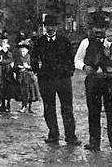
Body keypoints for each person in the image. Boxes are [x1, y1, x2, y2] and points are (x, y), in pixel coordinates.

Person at [74, 17, 112, 152]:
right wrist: (84, 67)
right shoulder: (86, 42)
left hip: (109, 80)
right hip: (93, 80)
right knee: (93, 111)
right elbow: (77, 60)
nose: (98, 31)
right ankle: (94, 142)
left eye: (102, 28)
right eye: (96, 28)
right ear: (92, 29)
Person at [32, 16, 80, 145]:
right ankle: (53, 134)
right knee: (49, 107)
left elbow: (71, 59)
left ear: (56, 27)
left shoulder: (64, 41)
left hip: (63, 79)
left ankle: (70, 136)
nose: (50, 28)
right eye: (48, 26)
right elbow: (34, 58)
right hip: (46, 80)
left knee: (67, 107)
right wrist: (37, 72)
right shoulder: (39, 42)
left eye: (52, 26)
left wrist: (69, 72)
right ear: (45, 27)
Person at [14, 39, 40, 114]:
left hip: (29, 78)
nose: (22, 53)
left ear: (27, 51)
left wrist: (28, 67)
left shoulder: (30, 58)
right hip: (21, 78)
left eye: (24, 51)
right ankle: (23, 106)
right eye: (21, 51)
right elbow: (14, 68)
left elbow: (35, 68)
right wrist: (18, 67)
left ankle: (30, 107)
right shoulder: (18, 58)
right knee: (23, 93)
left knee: (30, 93)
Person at [0, 34, 15, 112]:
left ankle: (7, 104)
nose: (3, 43)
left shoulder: (9, 50)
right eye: (1, 41)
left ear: (7, 42)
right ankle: (0, 103)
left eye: (4, 41)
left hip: (7, 71)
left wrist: (2, 61)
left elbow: (11, 59)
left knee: (7, 87)